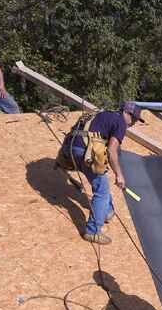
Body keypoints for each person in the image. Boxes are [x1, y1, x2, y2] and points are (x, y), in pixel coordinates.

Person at [57, 102, 143, 244]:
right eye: (133, 119)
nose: (133, 123)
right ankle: (92, 231)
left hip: (69, 148)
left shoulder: (103, 114)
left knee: (101, 179)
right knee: (101, 191)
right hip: (84, 152)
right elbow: (111, 150)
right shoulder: (120, 122)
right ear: (126, 113)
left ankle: (107, 212)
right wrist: (119, 174)